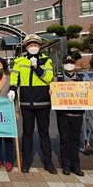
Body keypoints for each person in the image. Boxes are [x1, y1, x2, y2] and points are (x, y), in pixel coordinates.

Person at [10, 34, 56, 174]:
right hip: (26, 102)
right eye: (30, 45)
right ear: (26, 47)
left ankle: (49, 164)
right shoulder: (19, 61)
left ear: (39, 46)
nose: (33, 47)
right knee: (27, 133)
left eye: (35, 44)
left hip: (43, 102)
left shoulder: (46, 60)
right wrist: (12, 90)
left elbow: (49, 79)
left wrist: (36, 67)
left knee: (44, 133)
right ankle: (26, 163)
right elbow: (14, 78)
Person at [55, 55, 85, 176]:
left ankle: (76, 166)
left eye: (71, 62)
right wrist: (51, 92)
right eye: (67, 62)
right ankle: (66, 165)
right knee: (64, 140)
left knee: (75, 140)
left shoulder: (82, 78)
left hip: (78, 113)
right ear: (63, 64)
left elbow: (89, 91)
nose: (69, 64)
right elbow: (53, 92)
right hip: (63, 113)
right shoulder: (58, 78)